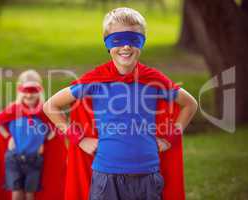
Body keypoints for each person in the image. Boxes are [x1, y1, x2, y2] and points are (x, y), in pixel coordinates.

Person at [43, 7, 197, 200]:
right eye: (118, 40)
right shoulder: (96, 80)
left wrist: (169, 138)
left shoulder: (154, 80)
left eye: (133, 40)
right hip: (106, 177)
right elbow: (50, 106)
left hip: (147, 176)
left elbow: (190, 104)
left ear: (142, 43)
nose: (126, 47)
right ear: (108, 44)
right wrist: (79, 139)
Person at [0, 70, 67, 200]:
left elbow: (58, 125)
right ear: (20, 91)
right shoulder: (13, 109)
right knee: (16, 191)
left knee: (30, 192)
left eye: (33, 92)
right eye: (26, 92)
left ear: (39, 91)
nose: (29, 96)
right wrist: (8, 137)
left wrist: (46, 139)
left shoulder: (44, 111)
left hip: (35, 160)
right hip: (13, 159)